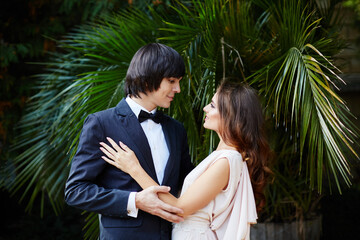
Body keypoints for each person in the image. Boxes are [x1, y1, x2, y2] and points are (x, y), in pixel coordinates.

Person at [100, 81, 271, 240]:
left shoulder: (228, 160)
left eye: (212, 105)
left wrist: (134, 169)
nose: (205, 108)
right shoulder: (224, 156)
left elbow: (179, 207)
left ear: (231, 115)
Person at [65, 43, 194, 240]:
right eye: (171, 81)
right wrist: (135, 201)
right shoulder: (102, 123)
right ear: (147, 78)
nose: (178, 89)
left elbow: (188, 185)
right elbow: (76, 190)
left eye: (179, 81)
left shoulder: (176, 129)